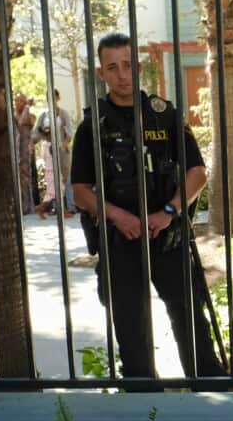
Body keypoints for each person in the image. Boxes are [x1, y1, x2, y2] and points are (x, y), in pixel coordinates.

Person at [70, 32, 225, 380]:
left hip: (167, 237)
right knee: (131, 327)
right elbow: (80, 191)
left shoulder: (164, 117)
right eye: (113, 68)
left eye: (127, 65)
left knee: (189, 317)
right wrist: (118, 216)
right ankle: (144, 404)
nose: (122, 74)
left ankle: (211, 391)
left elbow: (197, 173)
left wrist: (168, 212)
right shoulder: (92, 126)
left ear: (138, 67)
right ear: (101, 73)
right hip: (120, 241)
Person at [36, 89, 76, 217]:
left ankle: (70, 206)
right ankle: (56, 207)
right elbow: (37, 131)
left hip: (62, 149)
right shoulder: (44, 115)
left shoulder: (63, 113)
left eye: (54, 97)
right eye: (49, 97)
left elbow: (69, 131)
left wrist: (65, 143)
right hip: (49, 149)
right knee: (53, 179)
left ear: (58, 98)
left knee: (66, 177)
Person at [13, 92, 36, 215]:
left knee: (26, 179)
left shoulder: (28, 116)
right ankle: (20, 206)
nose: (17, 103)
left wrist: (27, 107)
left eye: (19, 101)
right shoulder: (13, 114)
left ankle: (28, 207)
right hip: (15, 152)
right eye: (15, 101)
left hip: (24, 153)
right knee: (18, 180)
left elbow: (21, 122)